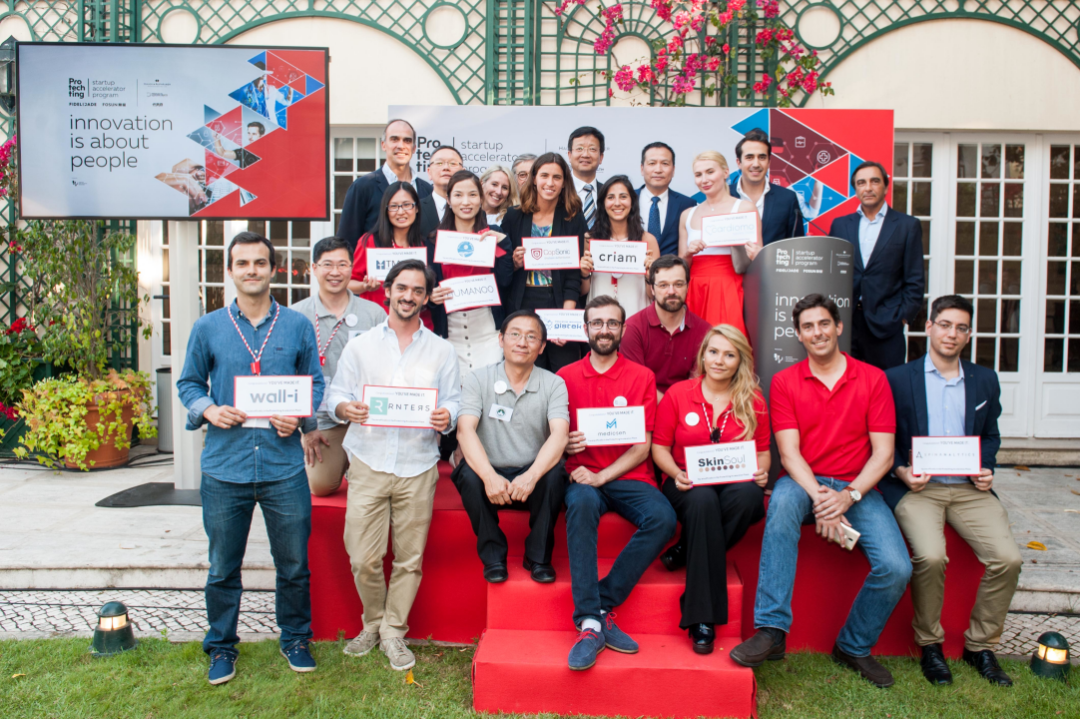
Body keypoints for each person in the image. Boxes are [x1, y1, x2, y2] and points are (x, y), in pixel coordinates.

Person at [730, 294, 911, 689]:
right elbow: (789, 454)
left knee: (897, 567)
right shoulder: (785, 381)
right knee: (781, 507)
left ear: (839, 327)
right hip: (803, 481)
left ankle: (853, 645)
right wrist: (822, 499)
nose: (818, 332)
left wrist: (847, 497)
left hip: (858, 485)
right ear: (798, 334)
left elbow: (883, 455)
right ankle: (772, 630)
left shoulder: (873, 378)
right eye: (808, 327)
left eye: (824, 323)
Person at [177, 231, 325, 685]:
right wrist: (209, 409)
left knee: (294, 565)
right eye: (242, 263)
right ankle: (221, 646)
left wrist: (299, 416)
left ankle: (295, 638)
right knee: (223, 567)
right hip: (226, 467)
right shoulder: (208, 327)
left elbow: (315, 383)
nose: (252, 270)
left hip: (283, 467)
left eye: (260, 262)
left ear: (273, 269)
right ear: (230, 270)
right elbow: (189, 384)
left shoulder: (297, 325)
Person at [326, 259, 461, 672]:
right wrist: (345, 408)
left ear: (426, 298)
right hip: (368, 460)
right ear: (387, 291)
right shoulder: (361, 345)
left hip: (418, 464)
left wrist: (447, 416)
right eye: (402, 288)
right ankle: (373, 621)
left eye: (418, 290)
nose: (409, 296)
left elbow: (453, 400)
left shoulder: (442, 349)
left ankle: (392, 632)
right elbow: (335, 394)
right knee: (362, 557)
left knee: (409, 558)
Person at [882, 294, 1020, 687]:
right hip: (918, 488)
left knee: (1008, 559)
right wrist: (901, 470)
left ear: (969, 334)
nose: (952, 334)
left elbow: (990, 435)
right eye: (944, 325)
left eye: (961, 328)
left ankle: (981, 646)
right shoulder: (897, 379)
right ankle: (930, 644)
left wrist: (987, 467)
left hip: (968, 488)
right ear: (928, 327)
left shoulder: (985, 379)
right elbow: (881, 437)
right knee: (930, 556)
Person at [558, 295, 676, 671]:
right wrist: (564, 443)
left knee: (663, 519)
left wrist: (603, 476)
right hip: (581, 475)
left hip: (628, 476)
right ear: (585, 329)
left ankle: (602, 601)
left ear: (623, 329)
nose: (604, 330)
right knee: (580, 503)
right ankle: (590, 624)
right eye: (597, 323)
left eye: (612, 323)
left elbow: (642, 447)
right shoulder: (563, 377)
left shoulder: (642, 377)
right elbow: (551, 435)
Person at [652, 325, 769, 654]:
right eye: (713, 352)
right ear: (703, 355)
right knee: (703, 500)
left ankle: (687, 547)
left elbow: (762, 452)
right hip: (685, 483)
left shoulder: (753, 399)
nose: (719, 360)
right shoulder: (679, 394)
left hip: (733, 485)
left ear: (740, 361)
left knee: (749, 496)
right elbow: (659, 448)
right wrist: (676, 473)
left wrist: (761, 472)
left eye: (729, 355)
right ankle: (702, 618)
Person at [452, 311, 570, 583]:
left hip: (531, 473)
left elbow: (560, 434)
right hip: (490, 471)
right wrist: (489, 476)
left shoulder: (554, 383)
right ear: (500, 339)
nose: (522, 342)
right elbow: (465, 430)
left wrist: (531, 475)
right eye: (514, 334)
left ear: (542, 347)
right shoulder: (478, 379)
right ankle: (493, 556)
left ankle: (538, 557)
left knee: (555, 475)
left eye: (531, 337)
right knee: (467, 475)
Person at [293, 236, 385, 497]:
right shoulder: (296, 315)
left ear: (351, 268)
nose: (335, 272)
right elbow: (291, 375)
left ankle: (354, 465)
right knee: (321, 486)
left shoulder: (374, 314)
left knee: (373, 484)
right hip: (322, 418)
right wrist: (307, 428)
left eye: (343, 265)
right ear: (314, 268)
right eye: (327, 265)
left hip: (366, 416)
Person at [828, 160, 925, 370]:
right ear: (856, 190)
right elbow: (831, 274)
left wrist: (902, 317)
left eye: (874, 181)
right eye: (861, 183)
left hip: (887, 324)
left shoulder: (907, 226)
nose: (868, 188)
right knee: (844, 382)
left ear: (886, 187)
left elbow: (915, 278)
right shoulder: (840, 225)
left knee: (887, 384)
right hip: (846, 323)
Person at [503, 152, 588, 372]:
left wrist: (566, 318)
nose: (550, 183)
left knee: (564, 373)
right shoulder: (513, 216)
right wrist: (514, 263)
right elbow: (502, 272)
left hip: (560, 303)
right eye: (544, 176)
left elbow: (574, 274)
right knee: (526, 372)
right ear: (534, 179)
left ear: (564, 183)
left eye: (556, 177)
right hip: (523, 303)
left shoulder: (573, 217)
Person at [428, 170, 514, 378]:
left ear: (481, 198)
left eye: (472, 195)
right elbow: (427, 286)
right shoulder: (434, 240)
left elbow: (505, 281)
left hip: (488, 331)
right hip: (449, 333)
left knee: (488, 387)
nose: (466, 202)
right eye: (458, 195)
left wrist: (504, 244)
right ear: (448, 200)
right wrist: (430, 296)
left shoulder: (493, 234)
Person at [678, 151, 763, 334]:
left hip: (731, 286)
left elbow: (758, 258)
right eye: (698, 174)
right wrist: (688, 253)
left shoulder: (744, 208)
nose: (704, 179)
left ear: (725, 172)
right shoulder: (687, 214)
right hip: (695, 288)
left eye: (710, 172)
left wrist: (744, 247)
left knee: (728, 340)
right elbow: (682, 266)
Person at [347, 182, 436, 331]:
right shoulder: (369, 241)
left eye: (407, 205)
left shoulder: (424, 244)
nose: (400, 212)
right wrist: (365, 286)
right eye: (394, 206)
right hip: (377, 325)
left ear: (417, 208)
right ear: (385, 210)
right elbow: (348, 283)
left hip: (417, 326)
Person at [620, 255, 710, 400]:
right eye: (663, 285)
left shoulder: (704, 331)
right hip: (645, 405)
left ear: (688, 286)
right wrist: (671, 407)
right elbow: (637, 383)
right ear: (652, 289)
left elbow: (697, 384)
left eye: (678, 284)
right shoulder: (633, 328)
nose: (671, 291)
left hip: (687, 406)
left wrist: (678, 408)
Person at [338, 119, 433, 254]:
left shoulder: (427, 190)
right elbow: (346, 241)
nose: (401, 146)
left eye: (407, 140)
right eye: (394, 139)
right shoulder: (362, 187)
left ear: (414, 148)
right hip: (373, 267)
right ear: (383, 145)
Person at [580, 175, 660, 318]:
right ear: (603, 203)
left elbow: (654, 295)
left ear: (632, 202)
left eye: (623, 197)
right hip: (599, 318)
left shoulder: (648, 240)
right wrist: (584, 274)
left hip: (637, 316)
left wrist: (650, 277)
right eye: (611, 197)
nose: (617, 203)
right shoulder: (590, 239)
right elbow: (583, 291)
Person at [729, 129, 807, 244]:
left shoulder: (788, 199)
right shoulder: (724, 195)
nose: (756, 164)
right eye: (749, 157)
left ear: (769, 162)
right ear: (739, 162)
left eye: (762, 157)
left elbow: (797, 245)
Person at [638, 142, 698, 257]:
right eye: (652, 163)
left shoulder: (687, 204)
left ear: (673, 169)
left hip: (671, 267)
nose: (658, 170)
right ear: (642, 168)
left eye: (665, 163)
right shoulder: (626, 200)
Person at [419, 146, 464, 238]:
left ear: (463, 173)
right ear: (429, 172)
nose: (446, 167)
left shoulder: (475, 211)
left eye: (453, 163)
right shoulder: (416, 209)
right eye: (439, 163)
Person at [566, 126, 605, 229]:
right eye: (580, 149)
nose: (585, 154)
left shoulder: (608, 193)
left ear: (601, 157)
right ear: (569, 155)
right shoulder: (559, 192)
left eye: (592, 149)